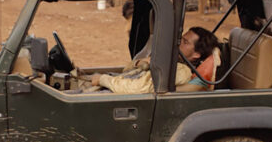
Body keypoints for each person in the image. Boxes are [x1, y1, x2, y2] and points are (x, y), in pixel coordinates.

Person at [89, 27, 220, 94]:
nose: (179, 43)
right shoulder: (172, 62)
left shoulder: (181, 71)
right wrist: (139, 63)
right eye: (181, 39)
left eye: (185, 42)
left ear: (196, 54)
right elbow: (126, 70)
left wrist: (103, 79)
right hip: (118, 87)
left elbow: (139, 89)